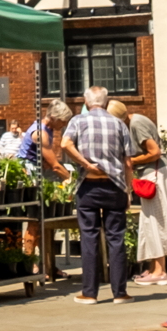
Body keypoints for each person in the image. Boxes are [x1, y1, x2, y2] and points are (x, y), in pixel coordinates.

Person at [58, 85, 136, 302]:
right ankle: (120, 292)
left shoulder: (78, 121)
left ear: (86, 101)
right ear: (106, 101)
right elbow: (128, 162)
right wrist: (128, 190)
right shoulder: (119, 124)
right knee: (116, 238)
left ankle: (89, 293)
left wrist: (85, 163)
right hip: (114, 185)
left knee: (89, 238)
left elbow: (65, 143)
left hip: (89, 185)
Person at [123, 101, 167, 286]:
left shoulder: (136, 124)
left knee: (155, 221)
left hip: (154, 176)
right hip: (154, 174)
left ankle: (159, 272)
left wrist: (131, 161)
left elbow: (155, 152)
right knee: (152, 221)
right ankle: (156, 268)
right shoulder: (135, 121)